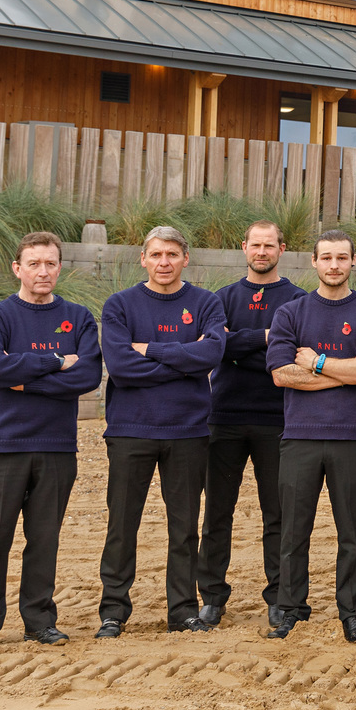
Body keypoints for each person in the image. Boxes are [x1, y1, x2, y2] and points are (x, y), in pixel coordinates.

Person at [0, 231, 103, 649]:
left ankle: (39, 621)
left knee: (44, 539)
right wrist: (57, 362)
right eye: (35, 263)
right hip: (3, 446)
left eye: (51, 264)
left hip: (57, 446)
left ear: (60, 267)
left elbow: (88, 377)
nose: (43, 271)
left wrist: (24, 379)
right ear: (17, 268)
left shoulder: (78, 317)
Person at [96, 226, 227, 637]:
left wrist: (148, 349)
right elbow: (120, 366)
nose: (164, 262)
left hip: (188, 431)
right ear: (143, 259)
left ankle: (183, 610)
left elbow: (210, 354)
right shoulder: (119, 305)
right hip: (130, 430)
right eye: (156, 255)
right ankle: (113, 611)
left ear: (186, 258)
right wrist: (181, 363)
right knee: (122, 524)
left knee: (184, 527)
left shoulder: (206, 303)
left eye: (172, 254)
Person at [266, 231, 356, 643]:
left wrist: (319, 363)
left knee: (350, 531)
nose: (334, 265)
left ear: (354, 261)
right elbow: (281, 374)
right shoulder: (291, 313)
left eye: (342, 257)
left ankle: (351, 612)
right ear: (314, 262)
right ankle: (290, 608)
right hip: (299, 436)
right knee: (293, 530)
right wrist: (345, 370)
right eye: (326, 258)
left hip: (352, 438)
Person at [200, 221, 304, 629]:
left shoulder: (297, 299)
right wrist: (268, 339)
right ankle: (211, 597)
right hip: (223, 417)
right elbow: (215, 348)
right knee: (217, 513)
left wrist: (243, 343)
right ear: (244, 248)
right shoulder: (220, 298)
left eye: (269, 245)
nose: (261, 252)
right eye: (254, 245)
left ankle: (279, 597)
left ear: (282, 248)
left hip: (279, 419)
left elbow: (292, 352)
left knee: (277, 514)